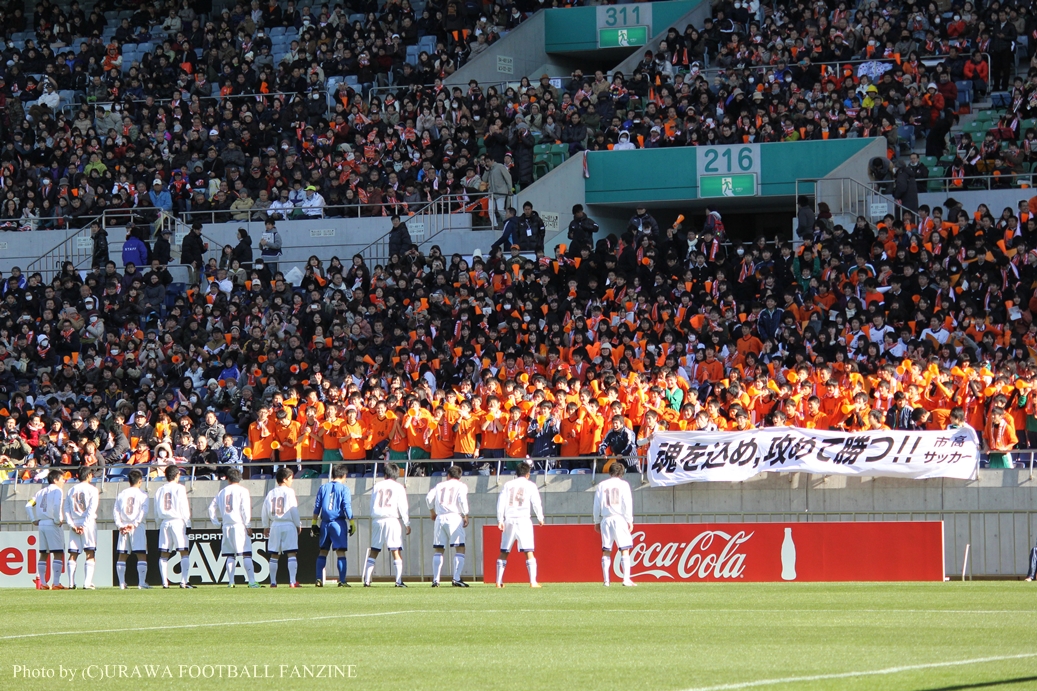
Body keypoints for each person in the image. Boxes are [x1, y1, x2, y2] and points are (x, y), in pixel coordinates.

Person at [208, 468, 260, 588]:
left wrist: (217, 524)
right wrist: (248, 525)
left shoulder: (222, 492)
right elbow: (245, 509)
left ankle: (231, 582)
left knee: (230, 555)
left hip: (226, 526)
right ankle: (252, 581)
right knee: (246, 553)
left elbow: (211, 508)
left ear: (228, 478)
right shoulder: (243, 491)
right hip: (239, 525)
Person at [495, 461, 544, 588]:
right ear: (528, 474)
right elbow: (536, 502)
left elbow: (501, 502)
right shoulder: (530, 485)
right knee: (528, 550)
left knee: (504, 551)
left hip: (509, 519)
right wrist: (540, 517)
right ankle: (533, 582)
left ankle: (498, 581)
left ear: (516, 474)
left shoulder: (508, 485)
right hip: (523, 520)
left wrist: (500, 519)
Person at [362, 463, 410, 587]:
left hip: (377, 519)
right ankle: (398, 581)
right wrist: (407, 523)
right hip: (391, 519)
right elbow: (403, 506)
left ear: (385, 474)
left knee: (374, 549)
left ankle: (367, 581)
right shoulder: (399, 487)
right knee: (395, 550)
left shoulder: (377, 485)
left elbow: (372, 502)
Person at [426, 464, 470, 587]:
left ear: (448, 475)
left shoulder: (439, 485)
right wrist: (466, 515)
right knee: (460, 547)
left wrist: (432, 511)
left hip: (440, 517)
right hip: (454, 516)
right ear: (459, 477)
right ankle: (456, 578)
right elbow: (462, 500)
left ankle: (436, 580)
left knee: (439, 549)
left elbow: (428, 498)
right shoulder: (461, 486)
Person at [311, 463, 355, 587]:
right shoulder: (344, 489)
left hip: (324, 523)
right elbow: (347, 506)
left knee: (323, 552)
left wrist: (314, 523)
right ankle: (342, 580)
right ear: (344, 475)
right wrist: (352, 522)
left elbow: (317, 507)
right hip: (338, 523)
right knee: (340, 552)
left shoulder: (323, 487)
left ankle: (319, 579)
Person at [593, 463, 636, 587]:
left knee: (606, 550)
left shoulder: (602, 485)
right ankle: (626, 579)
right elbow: (627, 503)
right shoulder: (624, 485)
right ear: (621, 473)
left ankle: (606, 581)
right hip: (619, 518)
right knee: (624, 548)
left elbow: (596, 504)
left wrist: (596, 520)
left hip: (606, 519)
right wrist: (629, 520)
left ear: (610, 472)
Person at [154, 465, 194, 589]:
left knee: (164, 553)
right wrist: (188, 523)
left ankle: (164, 582)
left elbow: (156, 508)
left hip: (164, 522)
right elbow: (184, 506)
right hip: (177, 521)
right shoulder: (180, 488)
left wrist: (158, 523)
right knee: (183, 551)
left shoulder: (160, 490)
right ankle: (183, 581)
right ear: (177, 475)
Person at [27, 468, 67, 590]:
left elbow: (28, 505)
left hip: (41, 524)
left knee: (44, 553)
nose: (64, 481)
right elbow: (56, 505)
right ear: (55, 480)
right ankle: (56, 583)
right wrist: (57, 519)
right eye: (62, 479)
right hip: (52, 523)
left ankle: (43, 583)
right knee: (58, 553)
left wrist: (33, 519)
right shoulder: (57, 491)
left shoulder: (40, 492)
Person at [263, 467, 302, 588]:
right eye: (291, 479)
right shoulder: (289, 492)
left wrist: (265, 525)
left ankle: (273, 582)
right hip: (288, 524)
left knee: (274, 554)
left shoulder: (271, 493)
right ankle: (292, 581)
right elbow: (293, 509)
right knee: (291, 553)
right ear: (285, 479)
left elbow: (264, 510)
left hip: (275, 524)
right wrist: (298, 524)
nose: (292, 481)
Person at [114, 468, 150, 589]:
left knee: (122, 555)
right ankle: (141, 583)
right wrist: (134, 524)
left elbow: (116, 511)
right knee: (141, 554)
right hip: (137, 527)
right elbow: (143, 511)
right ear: (140, 481)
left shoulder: (121, 494)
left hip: (124, 526)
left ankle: (121, 583)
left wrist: (120, 525)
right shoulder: (143, 495)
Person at [64, 466, 99, 589]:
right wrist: (84, 525)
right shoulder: (93, 490)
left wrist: (72, 525)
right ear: (89, 475)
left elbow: (66, 510)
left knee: (73, 553)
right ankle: (87, 583)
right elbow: (91, 509)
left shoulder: (71, 490)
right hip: (87, 523)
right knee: (90, 551)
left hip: (75, 523)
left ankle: (71, 583)